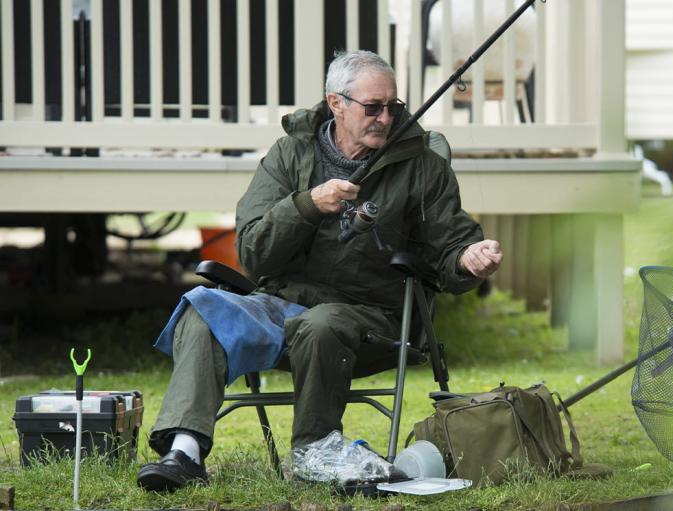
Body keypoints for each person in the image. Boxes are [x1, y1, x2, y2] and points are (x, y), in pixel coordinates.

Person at [136, 50, 503, 492]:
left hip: (371, 319)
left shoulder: (421, 164)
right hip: (281, 309)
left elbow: (450, 247)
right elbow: (253, 249)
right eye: (373, 107)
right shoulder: (290, 153)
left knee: (321, 322)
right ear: (337, 104)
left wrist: (468, 258)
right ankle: (185, 451)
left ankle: (315, 450)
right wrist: (307, 204)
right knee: (203, 308)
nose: (386, 118)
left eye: (394, 107)